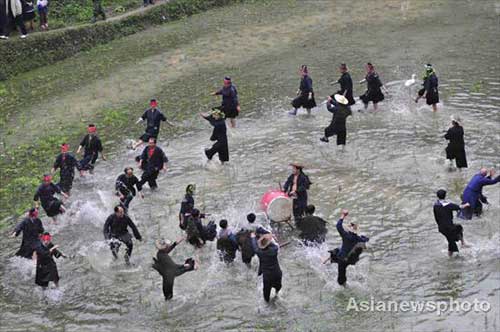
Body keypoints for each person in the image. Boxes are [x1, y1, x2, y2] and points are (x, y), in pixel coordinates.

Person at [323, 209, 369, 286]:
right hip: (352, 259)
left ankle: (342, 285)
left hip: (342, 259)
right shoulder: (360, 239)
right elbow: (365, 240)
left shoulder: (346, 236)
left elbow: (338, 226)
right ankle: (328, 259)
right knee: (337, 250)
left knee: (340, 279)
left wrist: (343, 215)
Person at [433, 189, 469, 256]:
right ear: (445, 196)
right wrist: (467, 204)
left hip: (441, 228)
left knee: (458, 229)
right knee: (452, 242)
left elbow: (436, 217)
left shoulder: (435, 205)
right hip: (449, 228)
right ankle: (451, 256)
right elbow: (459, 207)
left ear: (437, 196)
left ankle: (462, 244)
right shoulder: (448, 205)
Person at [251, 233, 282, 302]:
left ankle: (267, 303)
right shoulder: (274, 249)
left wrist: (253, 237)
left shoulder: (259, 252)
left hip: (267, 276)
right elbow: (275, 245)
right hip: (277, 273)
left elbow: (254, 246)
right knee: (278, 286)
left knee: (266, 293)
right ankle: (276, 295)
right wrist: (271, 239)